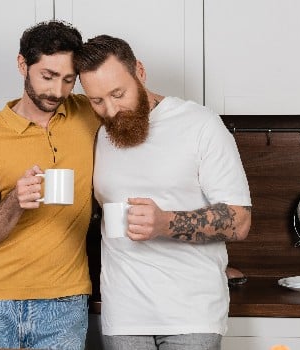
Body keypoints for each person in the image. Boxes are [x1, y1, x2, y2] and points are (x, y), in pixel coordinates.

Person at [74, 35, 252, 350]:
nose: (111, 110)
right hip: (124, 314)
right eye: (97, 100)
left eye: (118, 93)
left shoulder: (200, 125)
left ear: (140, 72)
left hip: (192, 313)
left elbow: (239, 221)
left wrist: (165, 223)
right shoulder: (99, 134)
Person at [0, 20, 99, 349]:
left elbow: (134, 102)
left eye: (68, 80)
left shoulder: (89, 113)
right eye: (48, 76)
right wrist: (15, 202)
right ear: (22, 64)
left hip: (66, 302)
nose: (58, 92)